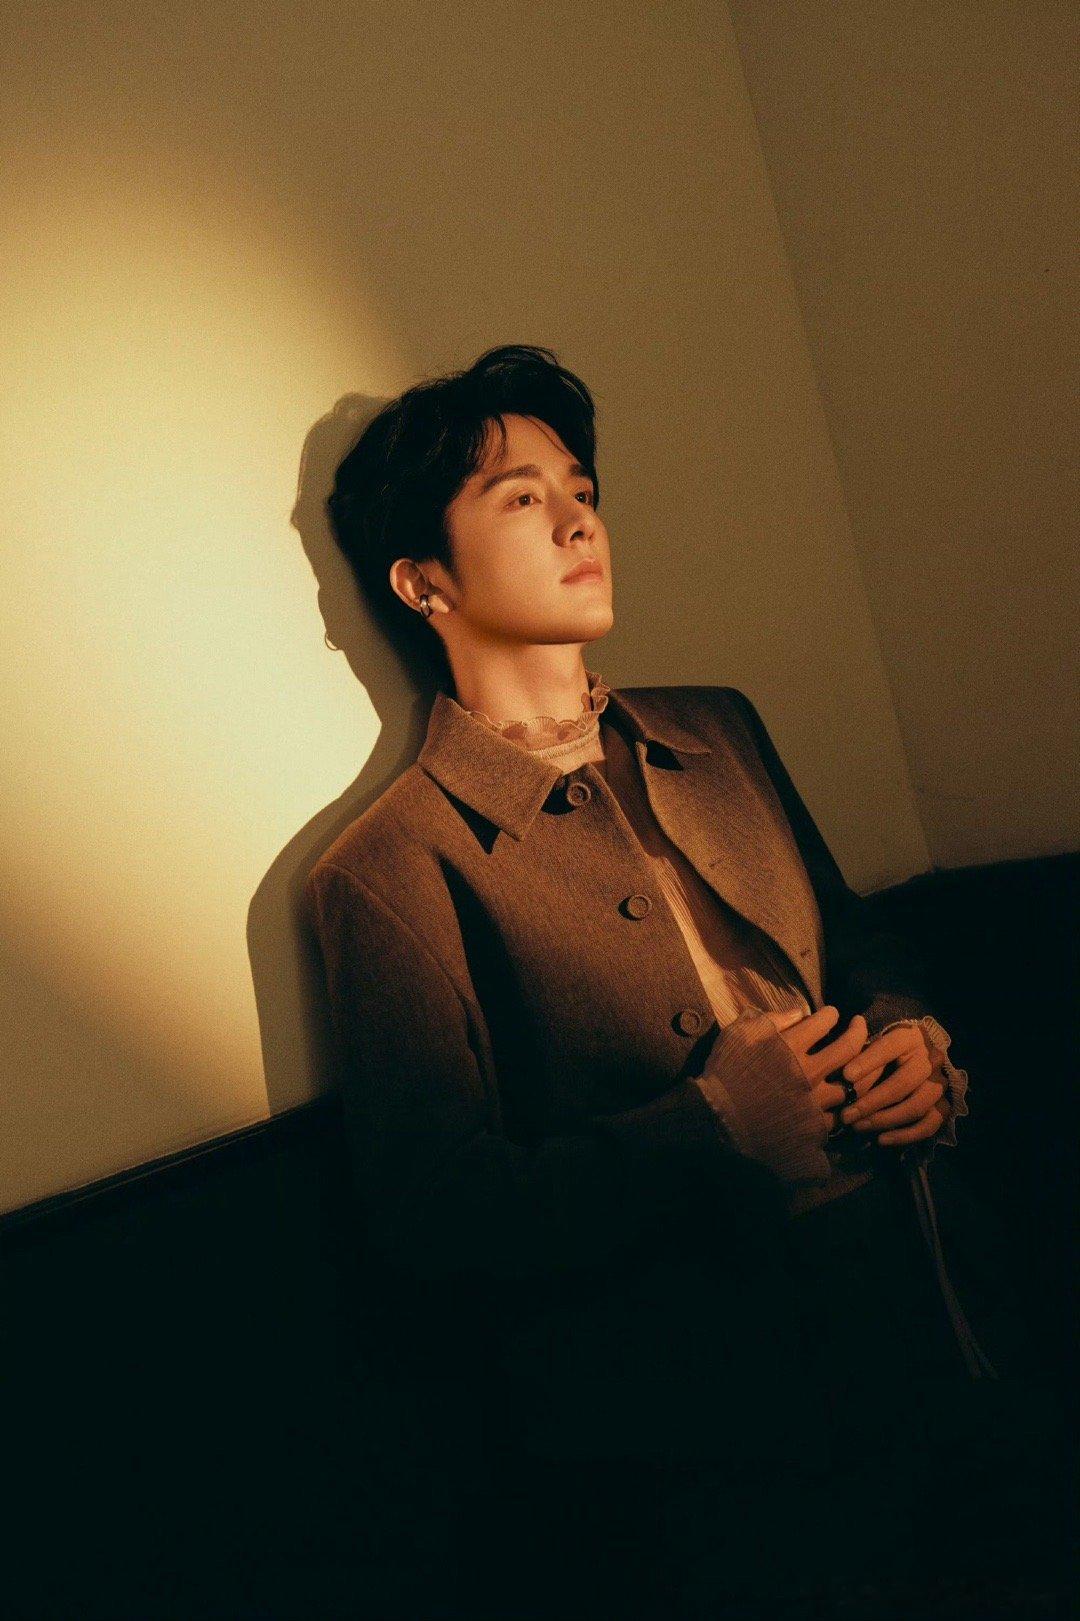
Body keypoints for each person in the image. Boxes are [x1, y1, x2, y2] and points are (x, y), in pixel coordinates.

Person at [306, 345, 1068, 1617]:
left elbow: (858, 942)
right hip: (725, 1437)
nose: (578, 518)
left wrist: (912, 1039)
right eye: (520, 497)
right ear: (422, 579)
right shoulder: (391, 868)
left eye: (582, 487)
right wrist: (710, 1128)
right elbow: (435, 1217)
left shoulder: (717, 725)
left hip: (944, 1302)